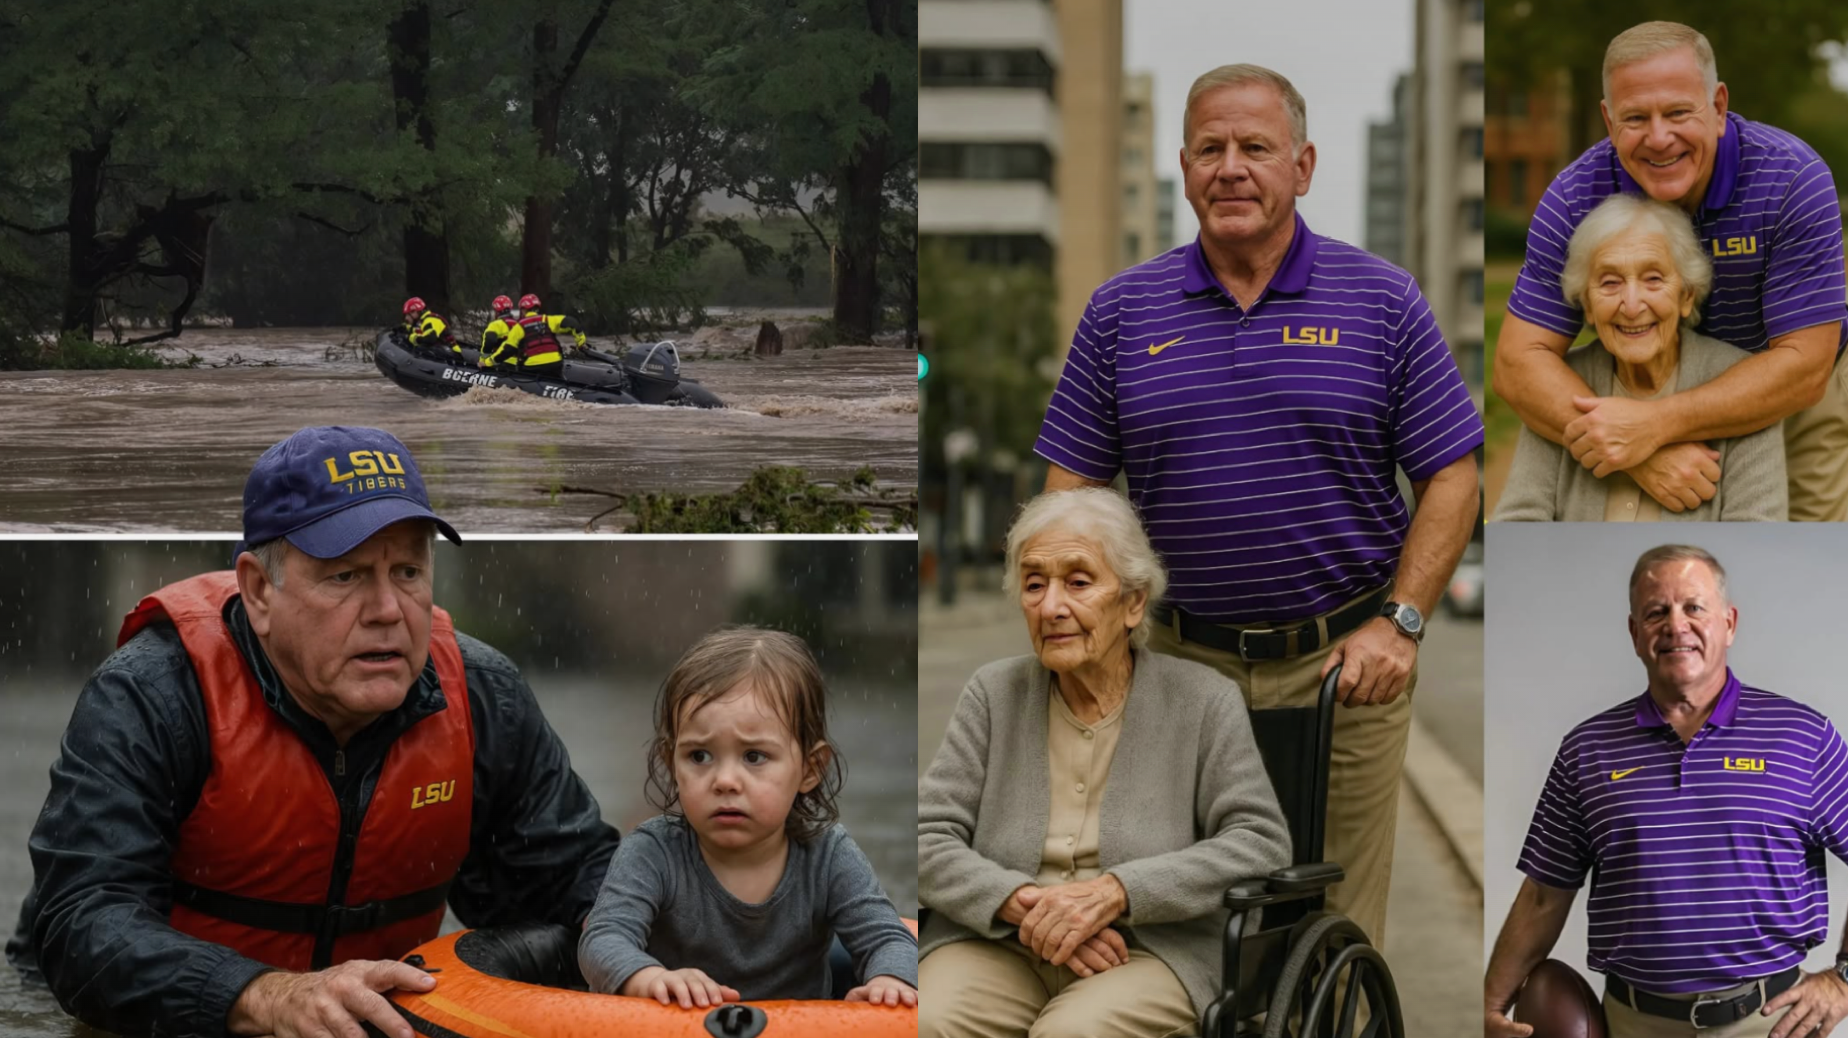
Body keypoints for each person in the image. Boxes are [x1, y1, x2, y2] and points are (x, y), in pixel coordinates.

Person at [1032, 62, 1481, 949]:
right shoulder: (1121, 311)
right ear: (1186, 166)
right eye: (1210, 149)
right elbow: (1070, 495)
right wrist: (1081, 620)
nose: (1230, 167)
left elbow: (1454, 473)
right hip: (1173, 668)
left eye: (1255, 148)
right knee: (1188, 921)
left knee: (1336, 927)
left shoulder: (1383, 301)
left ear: (1303, 167)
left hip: (1345, 669)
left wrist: (1401, 623)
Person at [5, 425, 621, 1038]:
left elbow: (579, 880)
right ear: (258, 590)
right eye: (346, 576)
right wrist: (269, 996)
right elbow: (82, 926)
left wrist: (642, 948)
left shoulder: (488, 696)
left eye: (407, 571)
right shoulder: (153, 695)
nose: (388, 610)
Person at [918, 488, 1292, 1038]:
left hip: (1147, 951)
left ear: (1134, 602)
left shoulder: (1204, 699)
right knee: (927, 1020)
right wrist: (1023, 904)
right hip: (1001, 942)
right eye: (1034, 583)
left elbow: (1258, 840)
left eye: (1078, 581)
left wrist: (1115, 892)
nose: (1051, 606)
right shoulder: (993, 693)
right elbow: (927, 835)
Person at [1485, 545, 1848, 1038]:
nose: (1676, 625)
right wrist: (1489, 1005)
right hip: (1632, 1021)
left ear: (1729, 623)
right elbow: (1543, 896)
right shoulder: (1587, 749)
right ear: (1635, 634)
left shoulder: (1802, 737)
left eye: (1693, 607)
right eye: (1656, 612)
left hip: (1769, 1023)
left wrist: (1844, 979)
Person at [1492, 21, 1848, 520]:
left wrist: (1653, 427)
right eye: (1635, 118)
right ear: (1608, 119)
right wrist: (1639, 451)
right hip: (1637, 386)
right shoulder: (1573, 199)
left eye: (1679, 112)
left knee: (1806, 542)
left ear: (1719, 107)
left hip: (1787, 391)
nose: (1659, 138)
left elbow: (1805, 367)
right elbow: (1516, 363)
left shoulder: (1792, 179)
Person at [578, 627, 918, 1008]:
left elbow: (890, 939)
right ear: (670, 763)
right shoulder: (651, 852)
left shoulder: (828, 854)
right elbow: (603, 939)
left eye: (754, 757)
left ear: (810, 768)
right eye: (699, 756)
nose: (724, 781)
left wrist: (889, 981)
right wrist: (650, 977)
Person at [1494, 194, 1786, 520]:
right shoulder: (1554, 387)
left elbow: (1755, 531)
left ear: (1686, 296)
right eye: (1609, 282)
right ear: (1588, 306)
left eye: (1653, 279)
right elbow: (1517, 523)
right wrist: (1642, 460)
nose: (1631, 306)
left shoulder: (1747, 387)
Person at [483, 292, 585, 378]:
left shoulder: (520, 326)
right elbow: (572, 322)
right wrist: (581, 341)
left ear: (523, 310)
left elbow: (508, 349)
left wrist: (488, 362)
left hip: (533, 367)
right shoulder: (548, 320)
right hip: (556, 364)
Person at [479, 294, 521, 369]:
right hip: (517, 364)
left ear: (497, 311)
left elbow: (489, 341)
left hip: (500, 363)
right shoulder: (518, 324)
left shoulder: (495, 324)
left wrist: (483, 361)